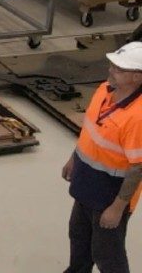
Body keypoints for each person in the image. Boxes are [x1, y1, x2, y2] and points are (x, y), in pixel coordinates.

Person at [62, 41, 142, 273]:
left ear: (137, 77)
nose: (111, 70)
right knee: (78, 236)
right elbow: (90, 130)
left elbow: (138, 167)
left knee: (107, 253)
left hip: (110, 194)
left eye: (118, 68)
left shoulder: (137, 118)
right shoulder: (104, 91)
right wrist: (73, 158)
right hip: (88, 184)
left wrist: (117, 208)